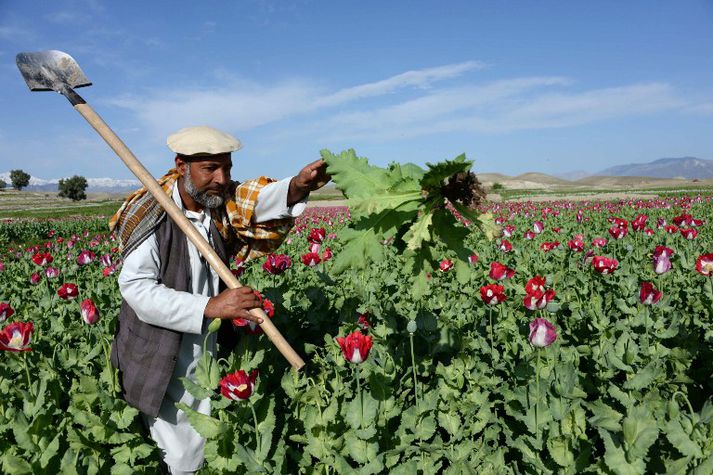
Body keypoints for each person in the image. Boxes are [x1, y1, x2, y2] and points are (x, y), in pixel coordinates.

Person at [109, 126, 329, 474]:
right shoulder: (151, 214)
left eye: (226, 167)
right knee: (180, 454)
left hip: (210, 348)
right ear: (182, 165)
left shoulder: (219, 205)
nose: (221, 178)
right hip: (161, 348)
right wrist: (211, 307)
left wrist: (299, 186)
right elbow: (137, 290)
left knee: (216, 437)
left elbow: (257, 200)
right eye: (210, 168)